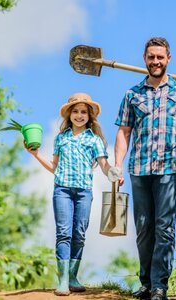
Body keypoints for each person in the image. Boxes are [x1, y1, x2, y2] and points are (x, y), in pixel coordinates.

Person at [114, 37, 176, 300]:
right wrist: (117, 165)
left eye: (160, 57)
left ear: (168, 58)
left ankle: (160, 285)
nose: (155, 61)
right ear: (144, 58)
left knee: (165, 227)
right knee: (144, 227)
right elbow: (124, 132)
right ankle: (146, 284)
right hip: (139, 168)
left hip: (170, 168)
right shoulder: (133, 94)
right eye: (151, 57)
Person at [26, 92, 113, 296]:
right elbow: (54, 166)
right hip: (62, 190)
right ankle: (63, 279)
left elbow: (103, 164)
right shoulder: (61, 138)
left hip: (84, 191)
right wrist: (36, 154)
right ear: (69, 115)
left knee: (79, 234)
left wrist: (112, 173)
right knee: (64, 233)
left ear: (89, 116)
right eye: (76, 111)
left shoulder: (94, 140)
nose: (79, 115)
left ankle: (73, 276)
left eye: (84, 112)